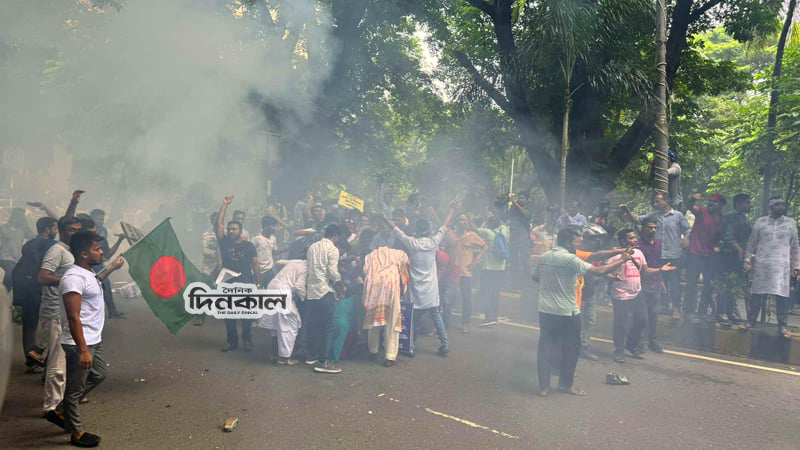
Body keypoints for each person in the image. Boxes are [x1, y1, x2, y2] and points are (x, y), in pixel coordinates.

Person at [533, 227, 631, 397]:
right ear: (568, 242)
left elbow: (535, 277)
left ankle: (543, 387)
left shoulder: (544, 257)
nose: (579, 244)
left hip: (546, 310)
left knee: (545, 347)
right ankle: (565, 385)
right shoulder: (570, 259)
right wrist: (622, 260)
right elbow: (599, 271)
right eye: (577, 241)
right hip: (567, 311)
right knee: (571, 348)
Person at [59, 231, 124, 448]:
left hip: (93, 338)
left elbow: (94, 282)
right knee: (75, 388)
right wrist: (83, 349)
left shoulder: (88, 272)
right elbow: (72, 317)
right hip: (80, 343)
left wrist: (112, 268)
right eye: (97, 249)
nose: (101, 251)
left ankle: (62, 409)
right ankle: (76, 432)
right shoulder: (73, 278)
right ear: (84, 254)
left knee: (99, 375)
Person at [384, 201, 457, 358]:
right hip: (431, 288)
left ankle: (409, 346)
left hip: (415, 288)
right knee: (436, 315)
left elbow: (396, 230)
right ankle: (444, 345)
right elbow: (444, 225)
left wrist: (385, 219)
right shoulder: (433, 242)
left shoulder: (412, 243)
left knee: (412, 319)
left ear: (416, 230)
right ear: (429, 230)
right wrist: (452, 210)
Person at [38, 216, 82, 427]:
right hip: (55, 313)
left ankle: (59, 402)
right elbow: (43, 277)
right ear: (62, 231)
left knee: (63, 362)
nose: (75, 233)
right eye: (72, 230)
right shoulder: (57, 251)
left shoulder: (71, 252)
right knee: (57, 363)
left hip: (65, 313)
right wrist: (67, 281)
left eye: (78, 230)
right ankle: (51, 408)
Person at [607, 229, 675, 363]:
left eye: (634, 237)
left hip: (636, 293)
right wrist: (614, 278)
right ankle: (619, 350)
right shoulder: (615, 256)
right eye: (631, 238)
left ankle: (631, 344)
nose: (634, 240)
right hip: (620, 295)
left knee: (642, 320)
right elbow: (605, 271)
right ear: (623, 241)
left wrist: (660, 270)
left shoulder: (639, 253)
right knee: (620, 323)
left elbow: (646, 270)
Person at [621, 193, 690, 320]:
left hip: (674, 254)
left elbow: (688, 230)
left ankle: (676, 308)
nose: (655, 203)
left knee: (675, 283)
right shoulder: (653, 216)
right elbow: (636, 219)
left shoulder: (678, 216)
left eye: (658, 201)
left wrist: (686, 239)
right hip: (658, 254)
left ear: (667, 201)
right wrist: (627, 211)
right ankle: (663, 306)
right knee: (660, 281)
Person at [743, 196, 800, 338]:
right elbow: (751, 243)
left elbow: (795, 246)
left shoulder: (790, 223)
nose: (781, 207)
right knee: (757, 295)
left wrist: (797, 265)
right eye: (777, 205)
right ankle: (750, 322)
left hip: (782, 267)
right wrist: (747, 260)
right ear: (771, 207)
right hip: (762, 265)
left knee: (782, 297)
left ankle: (782, 326)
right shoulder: (761, 222)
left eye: (782, 204)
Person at [12, 216, 58, 371]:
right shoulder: (52, 246)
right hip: (43, 290)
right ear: (47, 229)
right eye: (55, 228)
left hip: (27, 290)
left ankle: (30, 360)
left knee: (30, 326)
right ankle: (44, 361)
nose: (56, 231)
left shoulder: (29, 244)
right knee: (49, 325)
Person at [217, 197, 259, 352]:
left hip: (246, 283)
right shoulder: (224, 242)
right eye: (229, 229)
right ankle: (232, 341)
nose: (230, 231)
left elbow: (255, 265)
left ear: (241, 232)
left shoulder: (249, 246)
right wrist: (225, 206)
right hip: (228, 284)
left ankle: (247, 339)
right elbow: (219, 224)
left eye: (234, 229)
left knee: (247, 315)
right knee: (229, 316)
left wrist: (258, 283)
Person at [304, 224, 344, 373]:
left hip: (311, 293)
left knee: (314, 325)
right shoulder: (333, 249)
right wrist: (340, 284)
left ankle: (312, 356)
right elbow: (333, 272)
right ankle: (323, 362)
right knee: (328, 327)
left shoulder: (312, 247)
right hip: (325, 292)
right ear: (335, 237)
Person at [362, 246, 409, 367]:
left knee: (373, 321)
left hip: (376, 285)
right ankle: (390, 357)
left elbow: (364, 269)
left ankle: (373, 351)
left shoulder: (371, 254)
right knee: (392, 322)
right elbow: (407, 263)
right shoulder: (399, 252)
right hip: (391, 285)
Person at [683, 193, 726, 324]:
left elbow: (721, 237)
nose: (711, 203)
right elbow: (690, 206)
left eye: (715, 202)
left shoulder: (722, 219)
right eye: (710, 201)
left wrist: (719, 247)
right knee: (692, 284)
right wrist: (692, 198)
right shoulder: (702, 212)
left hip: (709, 255)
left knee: (709, 285)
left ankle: (702, 312)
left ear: (721, 205)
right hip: (695, 253)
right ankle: (689, 312)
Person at [257, 259, 307, 366]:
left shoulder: (296, 261)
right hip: (282, 291)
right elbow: (299, 287)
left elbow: (279, 261)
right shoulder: (306, 269)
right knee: (290, 324)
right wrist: (305, 297)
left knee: (276, 323)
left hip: (272, 286)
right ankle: (284, 358)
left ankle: (275, 354)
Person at [443, 214, 487, 333]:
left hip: (465, 273)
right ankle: (444, 325)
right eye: (461, 219)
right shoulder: (451, 235)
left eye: (466, 220)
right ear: (456, 222)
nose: (464, 222)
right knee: (448, 300)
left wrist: (476, 261)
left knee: (466, 298)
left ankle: (466, 323)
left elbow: (485, 246)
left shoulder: (471, 235)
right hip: (452, 272)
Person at [717, 194, 752, 326]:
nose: (749, 206)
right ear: (738, 204)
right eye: (747, 203)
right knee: (724, 284)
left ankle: (731, 312)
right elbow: (728, 237)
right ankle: (722, 313)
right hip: (728, 256)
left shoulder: (745, 219)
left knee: (732, 286)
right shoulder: (731, 217)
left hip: (738, 257)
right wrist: (739, 250)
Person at [88, 210, 126, 319]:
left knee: (106, 286)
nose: (101, 221)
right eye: (98, 219)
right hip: (87, 265)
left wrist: (120, 240)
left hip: (98, 264)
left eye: (102, 219)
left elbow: (107, 254)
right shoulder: (84, 234)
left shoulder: (103, 231)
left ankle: (112, 311)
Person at [637, 218, 666, 353]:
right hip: (641, 283)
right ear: (643, 229)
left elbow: (658, 263)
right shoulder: (638, 245)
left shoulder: (658, 243)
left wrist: (661, 280)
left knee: (654, 313)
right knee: (641, 314)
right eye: (650, 227)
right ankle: (639, 341)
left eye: (655, 227)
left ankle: (653, 340)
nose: (653, 230)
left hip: (655, 283)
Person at [476, 216, 508, 327]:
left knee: (487, 292)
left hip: (489, 268)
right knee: (495, 292)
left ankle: (488, 317)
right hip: (501, 268)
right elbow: (503, 223)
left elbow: (475, 229)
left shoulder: (487, 232)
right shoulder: (503, 230)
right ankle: (494, 317)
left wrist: (484, 222)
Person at [0, 207, 34, 290]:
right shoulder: (3, 228)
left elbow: (32, 238)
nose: (19, 217)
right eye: (18, 215)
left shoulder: (23, 229)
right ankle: (4, 293)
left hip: (17, 257)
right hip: (5, 256)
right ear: (13, 216)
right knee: (10, 273)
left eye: (21, 216)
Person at [253, 216, 278, 287]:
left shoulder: (273, 238)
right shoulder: (257, 239)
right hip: (258, 272)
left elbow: (273, 253)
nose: (274, 228)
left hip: (269, 271)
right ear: (266, 226)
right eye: (272, 226)